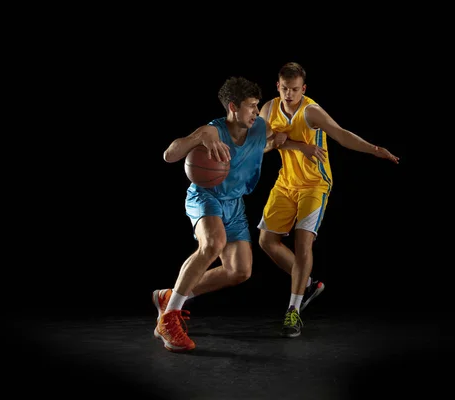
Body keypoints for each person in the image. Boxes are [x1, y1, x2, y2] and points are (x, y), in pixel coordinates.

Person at [257, 62, 400, 338]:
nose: (289, 95)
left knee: (302, 243)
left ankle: (293, 310)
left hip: (314, 185)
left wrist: (375, 149)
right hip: (285, 182)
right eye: (285, 89)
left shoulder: (311, 112)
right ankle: (307, 283)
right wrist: (296, 145)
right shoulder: (268, 109)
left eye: (295, 90)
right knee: (266, 241)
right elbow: (260, 146)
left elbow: (342, 135)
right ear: (278, 86)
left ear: (304, 89)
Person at [153, 76, 287, 352]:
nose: (256, 111)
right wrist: (198, 136)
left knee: (239, 271)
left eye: (257, 105)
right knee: (212, 243)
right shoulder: (212, 131)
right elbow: (169, 155)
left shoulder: (259, 127)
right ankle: (168, 320)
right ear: (233, 107)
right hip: (206, 196)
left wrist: (280, 141)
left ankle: (171, 296)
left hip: (234, 204)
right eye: (251, 106)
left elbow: (260, 148)